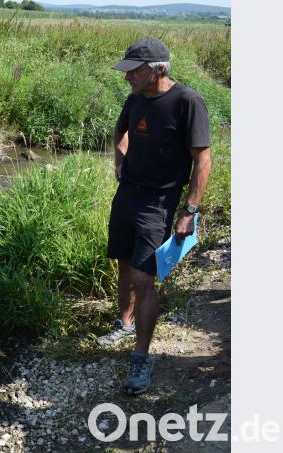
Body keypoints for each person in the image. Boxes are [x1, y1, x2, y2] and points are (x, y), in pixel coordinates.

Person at [99, 38, 212, 395]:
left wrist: (189, 210)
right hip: (128, 194)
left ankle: (141, 360)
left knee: (144, 278)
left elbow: (202, 160)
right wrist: (120, 162)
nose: (127, 76)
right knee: (122, 263)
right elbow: (120, 131)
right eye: (127, 69)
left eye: (136, 70)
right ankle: (124, 323)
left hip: (160, 201)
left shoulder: (187, 102)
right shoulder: (134, 100)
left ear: (159, 69)